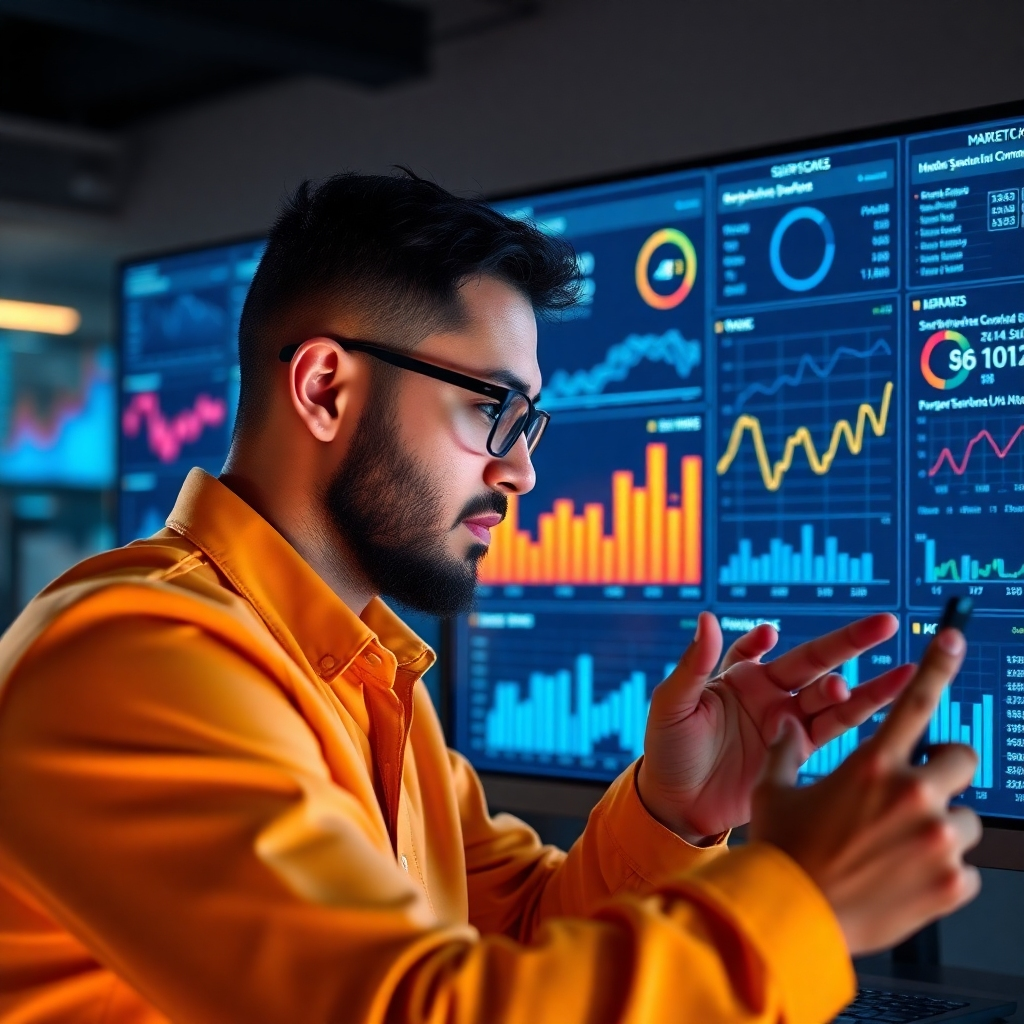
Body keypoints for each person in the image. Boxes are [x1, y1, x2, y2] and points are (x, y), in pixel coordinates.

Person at [0, 172, 980, 1024]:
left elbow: (513, 938)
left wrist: (673, 816)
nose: (518, 472)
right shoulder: (134, 660)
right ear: (326, 389)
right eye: (488, 409)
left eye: (526, 423)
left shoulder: (359, 673)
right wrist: (803, 900)